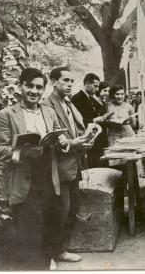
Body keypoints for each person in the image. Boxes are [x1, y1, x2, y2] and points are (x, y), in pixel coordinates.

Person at [0, 68, 69, 270]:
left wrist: (62, 142)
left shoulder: (49, 112)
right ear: (21, 86)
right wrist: (21, 153)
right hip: (24, 180)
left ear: (44, 90)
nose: (34, 91)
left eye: (39, 87)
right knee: (30, 234)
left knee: (50, 228)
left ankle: (44, 264)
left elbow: (58, 139)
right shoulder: (7, 115)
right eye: (30, 86)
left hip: (48, 179)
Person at [43, 67, 93, 265]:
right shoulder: (46, 105)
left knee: (71, 207)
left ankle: (60, 248)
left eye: (72, 81)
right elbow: (50, 138)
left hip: (74, 163)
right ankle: (52, 253)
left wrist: (87, 139)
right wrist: (76, 143)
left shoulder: (69, 103)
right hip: (57, 166)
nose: (70, 84)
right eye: (65, 80)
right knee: (59, 210)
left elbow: (76, 131)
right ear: (53, 82)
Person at [71, 73, 111, 167]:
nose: (97, 89)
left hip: (98, 139)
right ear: (87, 83)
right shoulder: (77, 98)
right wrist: (94, 120)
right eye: (95, 86)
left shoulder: (91, 98)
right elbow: (77, 121)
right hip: (89, 139)